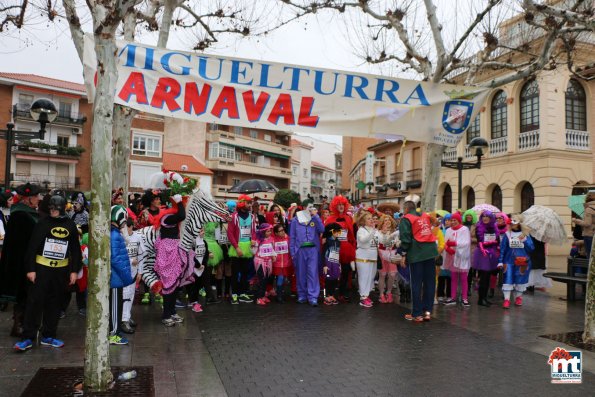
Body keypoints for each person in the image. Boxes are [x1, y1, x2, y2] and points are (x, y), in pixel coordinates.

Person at [14, 195, 81, 351]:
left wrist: (74, 271)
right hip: (41, 269)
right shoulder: (42, 223)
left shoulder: (70, 225)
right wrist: (31, 269)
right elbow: (32, 247)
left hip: (60, 271)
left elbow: (75, 251)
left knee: (55, 303)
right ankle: (28, 337)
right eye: (51, 209)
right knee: (34, 303)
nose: (53, 212)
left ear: (63, 208)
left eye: (56, 209)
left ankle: (48, 335)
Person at [0, 183, 41, 337]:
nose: (39, 199)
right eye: (36, 197)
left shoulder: (25, 213)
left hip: (26, 260)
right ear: (28, 199)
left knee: (26, 294)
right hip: (21, 262)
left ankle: (23, 324)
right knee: (23, 295)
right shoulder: (20, 215)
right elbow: (19, 243)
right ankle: (19, 325)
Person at [153, 195, 193, 326]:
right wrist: (179, 201)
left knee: (174, 284)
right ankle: (166, 315)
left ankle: (172, 311)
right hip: (168, 254)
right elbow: (182, 215)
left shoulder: (170, 217)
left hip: (174, 251)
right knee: (168, 285)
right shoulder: (167, 217)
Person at [399, 200, 438, 322]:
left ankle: (417, 313)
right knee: (429, 283)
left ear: (406, 209)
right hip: (430, 251)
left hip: (416, 253)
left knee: (416, 283)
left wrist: (403, 254)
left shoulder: (406, 219)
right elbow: (435, 223)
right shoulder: (425, 215)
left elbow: (405, 239)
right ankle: (427, 312)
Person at [289, 204, 324, 306]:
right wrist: (292, 252)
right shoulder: (295, 220)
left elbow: (322, 230)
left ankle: (313, 297)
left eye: (311, 207)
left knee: (313, 273)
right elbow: (292, 237)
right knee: (301, 273)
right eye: (307, 207)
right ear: (303, 207)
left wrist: (316, 216)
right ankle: (302, 295)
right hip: (300, 250)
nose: (309, 209)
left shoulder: (314, 219)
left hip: (313, 250)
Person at [109, 205, 134, 344]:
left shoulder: (115, 233)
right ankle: (113, 334)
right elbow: (116, 258)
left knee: (116, 307)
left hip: (117, 278)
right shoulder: (114, 235)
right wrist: (126, 276)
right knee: (115, 308)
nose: (125, 223)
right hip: (116, 279)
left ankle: (115, 332)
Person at [498, 214, 534, 309]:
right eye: (511, 221)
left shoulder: (526, 235)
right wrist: (500, 261)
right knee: (508, 279)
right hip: (508, 260)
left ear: (519, 223)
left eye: (514, 221)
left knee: (520, 279)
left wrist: (525, 240)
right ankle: (506, 300)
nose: (511, 223)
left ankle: (518, 298)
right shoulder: (507, 234)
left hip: (522, 260)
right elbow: (503, 248)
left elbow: (531, 248)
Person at [227, 194, 258, 304]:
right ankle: (234, 294)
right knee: (235, 273)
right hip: (237, 247)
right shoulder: (233, 216)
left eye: (250, 203)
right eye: (248, 203)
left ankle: (242, 293)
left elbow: (254, 231)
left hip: (248, 247)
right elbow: (229, 233)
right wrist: (236, 247)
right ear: (242, 203)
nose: (250, 205)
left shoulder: (252, 217)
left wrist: (253, 240)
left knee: (245, 272)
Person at [324, 196, 356, 302]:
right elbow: (326, 235)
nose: (341, 207)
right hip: (334, 248)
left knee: (346, 271)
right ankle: (330, 293)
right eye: (339, 205)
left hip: (346, 248)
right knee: (333, 271)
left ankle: (342, 292)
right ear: (335, 206)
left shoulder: (349, 218)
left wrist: (353, 246)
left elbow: (351, 234)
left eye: (343, 205)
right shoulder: (329, 219)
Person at [472, 211, 500, 307]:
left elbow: (497, 241)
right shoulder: (479, 227)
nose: (485, 218)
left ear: (491, 218)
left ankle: (485, 298)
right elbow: (480, 242)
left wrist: (495, 243)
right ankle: (481, 299)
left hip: (492, 253)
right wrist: (487, 244)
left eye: (487, 216)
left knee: (488, 277)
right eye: (483, 216)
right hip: (483, 253)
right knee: (483, 277)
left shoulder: (494, 227)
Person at [443, 213, 471, 307]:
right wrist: (447, 248)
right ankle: (453, 297)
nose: (453, 222)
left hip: (461, 257)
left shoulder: (464, 229)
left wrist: (454, 243)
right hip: (451, 256)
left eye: (455, 220)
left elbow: (466, 242)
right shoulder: (448, 230)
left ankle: (464, 298)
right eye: (452, 220)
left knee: (463, 278)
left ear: (459, 220)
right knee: (453, 277)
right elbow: (445, 242)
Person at [121, 218, 143, 334]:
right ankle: (123, 320)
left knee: (131, 294)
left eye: (127, 228)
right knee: (125, 294)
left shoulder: (138, 237)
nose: (125, 230)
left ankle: (127, 316)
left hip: (134, 272)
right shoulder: (120, 238)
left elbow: (141, 255)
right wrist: (130, 261)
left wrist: (140, 271)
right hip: (124, 272)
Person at [355, 211, 378, 308]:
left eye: (371, 218)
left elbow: (381, 241)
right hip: (363, 256)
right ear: (363, 221)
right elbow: (363, 240)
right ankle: (362, 297)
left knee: (371, 277)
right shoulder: (361, 230)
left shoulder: (375, 230)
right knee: (364, 277)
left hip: (373, 256)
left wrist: (392, 236)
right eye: (368, 218)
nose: (371, 220)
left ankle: (366, 295)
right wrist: (373, 231)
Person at [376, 214, 400, 304]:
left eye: (389, 220)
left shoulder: (394, 232)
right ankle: (381, 294)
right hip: (382, 254)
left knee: (392, 275)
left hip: (392, 255)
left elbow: (397, 243)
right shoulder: (377, 232)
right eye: (385, 220)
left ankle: (389, 292)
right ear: (382, 222)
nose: (387, 222)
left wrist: (398, 243)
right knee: (382, 275)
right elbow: (376, 244)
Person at [252, 223, 276, 305]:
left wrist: (273, 256)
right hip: (260, 262)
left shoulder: (272, 239)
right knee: (261, 280)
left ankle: (263, 295)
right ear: (263, 232)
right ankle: (259, 298)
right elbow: (253, 252)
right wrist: (253, 246)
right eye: (267, 231)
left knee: (266, 279)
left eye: (270, 231)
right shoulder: (258, 241)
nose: (269, 233)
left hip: (268, 262)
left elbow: (272, 249)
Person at [321, 223, 342, 305]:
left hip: (335, 263)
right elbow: (323, 253)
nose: (337, 233)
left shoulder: (338, 242)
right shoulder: (327, 241)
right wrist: (324, 265)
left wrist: (339, 264)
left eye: (339, 231)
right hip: (328, 262)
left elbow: (338, 253)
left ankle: (332, 295)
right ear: (331, 232)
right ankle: (326, 296)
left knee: (335, 279)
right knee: (328, 279)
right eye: (335, 231)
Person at [272, 223, 292, 303]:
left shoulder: (288, 239)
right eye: (280, 231)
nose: (282, 232)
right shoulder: (273, 240)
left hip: (287, 263)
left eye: (283, 230)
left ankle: (280, 293)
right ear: (276, 233)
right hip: (277, 264)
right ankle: (279, 296)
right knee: (280, 279)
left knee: (283, 279)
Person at [572, 191, 595, 257]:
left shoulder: (588, 209)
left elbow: (587, 223)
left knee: (590, 256)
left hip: (589, 235)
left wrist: (576, 221)